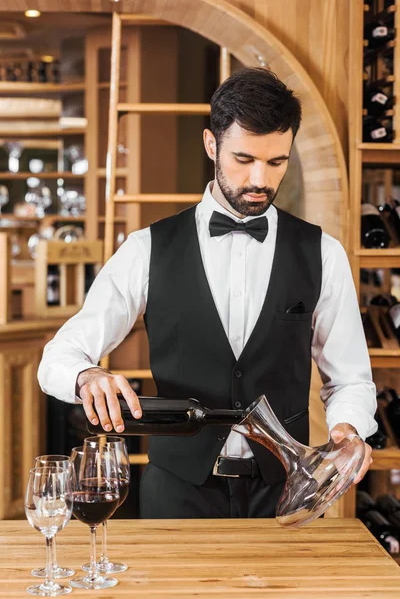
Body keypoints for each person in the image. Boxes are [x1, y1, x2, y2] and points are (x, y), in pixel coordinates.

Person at [38, 67, 377, 519]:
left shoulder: (323, 254)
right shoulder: (146, 249)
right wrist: (86, 377)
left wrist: (348, 429)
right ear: (211, 144)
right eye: (244, 159)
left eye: (276, 162)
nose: (260, 180)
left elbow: (350, 379)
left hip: (282, 494)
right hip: (177, 493)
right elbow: (58, 356)